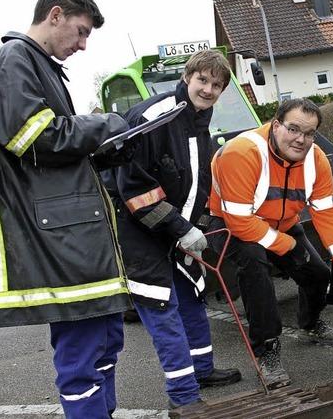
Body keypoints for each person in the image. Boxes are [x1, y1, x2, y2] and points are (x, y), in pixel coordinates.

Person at [0, 0, 135, 417]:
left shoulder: (38, 65)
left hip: (75, 236)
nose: (83, 45)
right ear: (55, 15)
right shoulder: (15, 57)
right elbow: (30, 135)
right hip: (63, 242)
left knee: (104, 346)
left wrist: (107, 149)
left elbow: (59, 154)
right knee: (83, 359)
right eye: (81, 32)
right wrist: (105, 123)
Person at [207, 98, 333, 389]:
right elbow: (239, 220)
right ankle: (267, 352)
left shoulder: (316, 160)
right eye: (293, 129)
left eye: (309, 133)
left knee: (318, 274)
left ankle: (310, 324)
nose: (301, 139)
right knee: (255, 268)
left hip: (281, 225)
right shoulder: (242, 152)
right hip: (230, 226)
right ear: (276, 125)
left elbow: (327, 215)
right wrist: (284, 245)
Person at [102, 50, 241, 409]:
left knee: (192, 295)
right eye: (203, 80)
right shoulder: (156, 116)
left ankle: (202, 369)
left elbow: (194, 177)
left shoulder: (199, 118)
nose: (208, 89)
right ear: (187, 78)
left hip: (177, 229)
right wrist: (180, 228)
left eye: (216, 85)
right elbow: (133, 186)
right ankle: (184, 397)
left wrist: (198, 225)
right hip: (140, 229)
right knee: (163, 309)